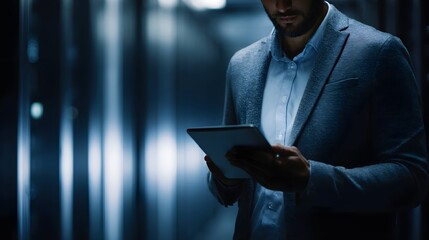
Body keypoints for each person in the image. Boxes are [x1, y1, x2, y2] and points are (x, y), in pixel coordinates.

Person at [203, 0, 429, 239]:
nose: (282, 5)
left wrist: (312, 179)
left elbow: (411, 178)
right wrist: (223, 175)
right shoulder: (242, 65)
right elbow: (226, 193)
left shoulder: (379, 52)